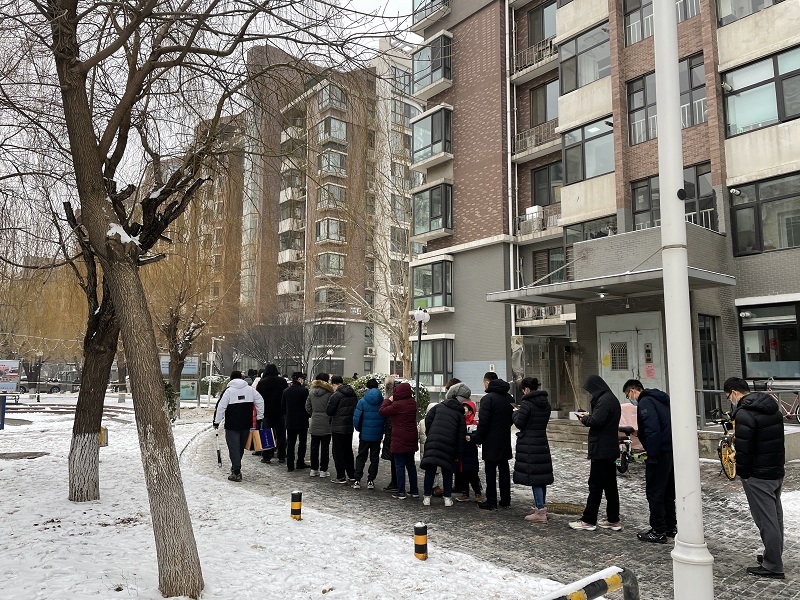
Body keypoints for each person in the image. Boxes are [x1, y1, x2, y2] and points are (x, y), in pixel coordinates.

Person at [724, 377, 785, 579]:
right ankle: (772, 555)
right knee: (775, 517)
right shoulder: (771, 407)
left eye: (728, 396)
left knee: (766, 520)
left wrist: (744, 473)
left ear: (734, 393)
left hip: (758, 474)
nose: (729, 400)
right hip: (775, 470)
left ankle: (773, 566)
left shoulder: (744, 413)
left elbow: (744, 448)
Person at [623, 379, 676, 544]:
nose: (629, 400)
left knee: (655, 492)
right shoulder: (661, 400)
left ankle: (658, 530)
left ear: (633, 390)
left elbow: (652, 428)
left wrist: (651, 453)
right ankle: (670, 526)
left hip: (659, 453)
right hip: (670, 450)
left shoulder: (646, 402)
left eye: (627, 395)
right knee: (667, 491)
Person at [570, 375, 622, 531]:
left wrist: (584, 419)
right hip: (609, 448)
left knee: (596, 485)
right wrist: (589, 415)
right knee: (610, 486)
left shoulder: (605, 400)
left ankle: (589, 519)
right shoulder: (610, 398)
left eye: (590, 390)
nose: (590, 394)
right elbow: (600, 418)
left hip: (602, 449)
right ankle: (613, 519)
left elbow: (596, 421)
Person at [513, 377, 554, 524]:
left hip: (530, 443)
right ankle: (539, 506)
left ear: (526, 389)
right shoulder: (546, 403)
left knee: (535, 478)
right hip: (541, 441)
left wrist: (515, 413)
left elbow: (519, 423)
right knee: (541, 476)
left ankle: (540, 511)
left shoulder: (527, 403)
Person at [213, 371, 264, 481]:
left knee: (233, 448)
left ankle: (236, 471)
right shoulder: (250, 390)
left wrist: (216, 421)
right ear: (242, 378)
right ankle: (235, 467)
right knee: (240, 448)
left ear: (231, 379)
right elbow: (260, 401)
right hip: (246, 424)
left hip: (232, 425)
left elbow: (221, 407)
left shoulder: (228, 391)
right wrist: (260, 416)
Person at [474, 372, 514, 510]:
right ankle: (505, 499)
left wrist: (478, 438)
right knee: (504, 471)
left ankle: (491, 501)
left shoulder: (488, 399)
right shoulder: (509, 398)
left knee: (490, 471)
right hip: (504, 439)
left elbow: (483, 422)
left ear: (487, 382)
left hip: (490, 441)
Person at [420, 388, 466, 506]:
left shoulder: (439, 406)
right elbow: (461, 435)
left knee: (430, 470)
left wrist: (431, 433)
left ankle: (426, 497)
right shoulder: (459, 414)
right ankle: (447, 498)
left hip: (433, 441)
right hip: (449, 444)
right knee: (447, 470)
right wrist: (459, 454)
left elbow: (428, 419)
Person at [379, 381, 420, 499]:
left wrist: (389, 399)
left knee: (400, 465)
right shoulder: (413, 403)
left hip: (399, 437)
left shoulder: (397, 405)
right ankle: (414, 490)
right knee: (411, 464)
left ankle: (401, 491)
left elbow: (382, 411)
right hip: (411, 436)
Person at [352, 378, 385, 489]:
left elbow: (357, 418)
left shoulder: (362, 401)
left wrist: (359, 429)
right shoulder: (382, 402)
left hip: (365, 435)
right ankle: (371, 480)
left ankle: (357, 479)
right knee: (374, 458)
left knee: (361, 456)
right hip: (377, 435)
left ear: (367, 387)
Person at [326, 375, 357, 483]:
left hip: (338, 427)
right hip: (348, 426)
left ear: (334, 384)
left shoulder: (336, 395)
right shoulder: (352, 393)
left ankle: (341, 476)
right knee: (348, 450)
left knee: (338, 451)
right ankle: (352, 474)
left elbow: (329, 411)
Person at [453, 391, 484, 503]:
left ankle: (477, 493)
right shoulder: (460, 421)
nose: (463, 411)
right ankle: (464, 493)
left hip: (471, 453)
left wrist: (471, 438)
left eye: (465, 409)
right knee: (462, 474)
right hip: (462, 452)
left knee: (472, 474)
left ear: (470, 411)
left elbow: (477, 435)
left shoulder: (474, 423)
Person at [256, 364, 288, 464]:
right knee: (281, 435)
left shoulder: (262, 383)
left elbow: (258, 398)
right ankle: (281, 455)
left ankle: (267, 456)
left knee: (267, 434)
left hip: (267, 412)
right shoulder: (282, 381)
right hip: (280, 411)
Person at [306, 373, 333, 477]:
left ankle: (313, 469)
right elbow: (331, 407)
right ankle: (323, 470)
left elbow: (307, 406)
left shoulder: (311, 392)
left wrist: (313, 414)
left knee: (314, 447)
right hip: (326, 422)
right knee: (325, 448)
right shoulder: (329, 393)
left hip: (315, 421)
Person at [283, 372, 310, 472]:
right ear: (299, 379)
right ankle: (300, 462)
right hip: (302, 420)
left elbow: (283, 406)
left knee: (290, 442)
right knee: (302, 442)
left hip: (290, 420)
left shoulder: (286, 391)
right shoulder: (304, 391)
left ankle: (290, 464)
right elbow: (308, 406)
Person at [381, 377, 398, 492]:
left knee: (395, 461)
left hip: (393, 433)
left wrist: (387, 400)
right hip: (397, 433)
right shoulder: (409, 402)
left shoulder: (392, 403)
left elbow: (383, 411)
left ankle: (396, 483)